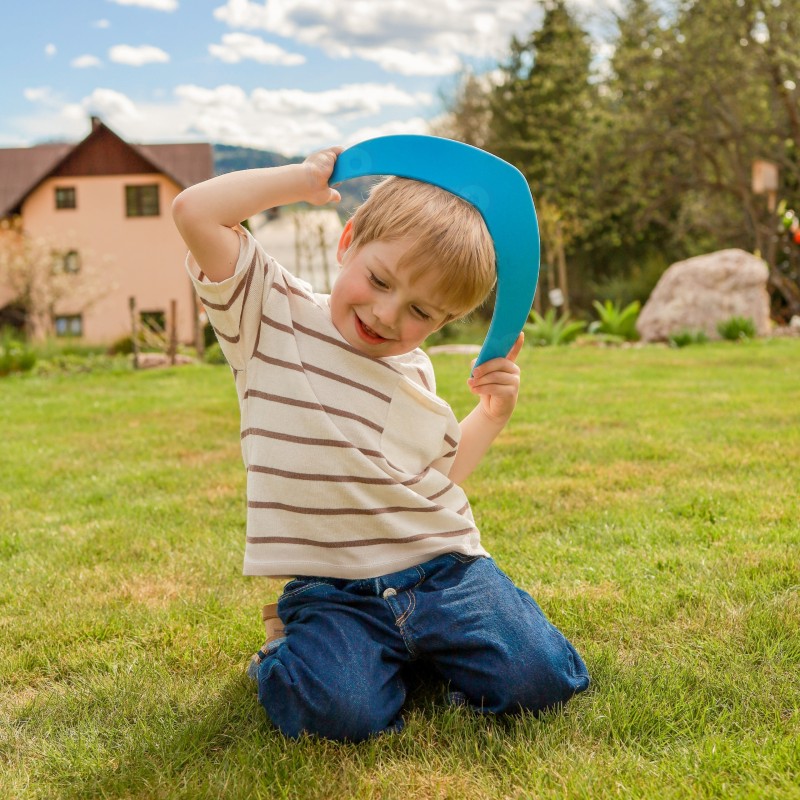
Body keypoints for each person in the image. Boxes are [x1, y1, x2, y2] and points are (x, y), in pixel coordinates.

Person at [172, 145, 590, 742]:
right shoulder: (267, 313)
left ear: (442, 322)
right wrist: (302, 179)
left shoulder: (413, 371)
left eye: (420, 310)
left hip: (443, 570)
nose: (388, 314)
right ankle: (292, 653)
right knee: (337, 717)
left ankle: (419, 651)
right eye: (379, 279)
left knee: (542, 681)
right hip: (334, 591)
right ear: (348, 244)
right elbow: (194, 212)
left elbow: (438, 474)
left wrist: (492, 415)